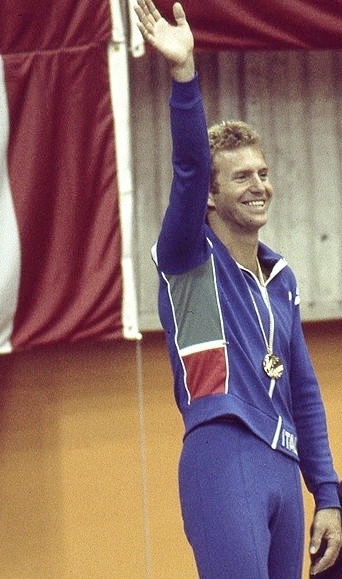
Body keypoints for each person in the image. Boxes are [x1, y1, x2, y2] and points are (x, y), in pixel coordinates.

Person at [134, 1, 342, 577]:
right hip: (223, 452)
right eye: (243, 176)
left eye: (265, 172)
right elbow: (188, 166)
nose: (261, 186)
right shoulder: (186, 257)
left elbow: (304, 390)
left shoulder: (283, 279)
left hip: (283, 463)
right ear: (210, 194)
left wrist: (327, 494)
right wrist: (183, 76)